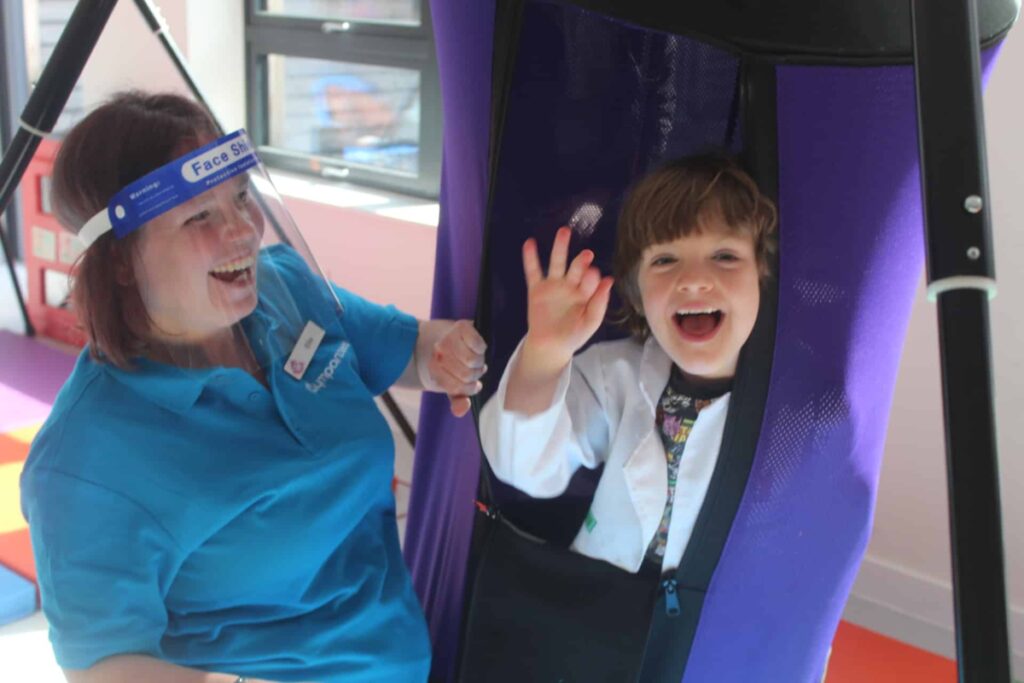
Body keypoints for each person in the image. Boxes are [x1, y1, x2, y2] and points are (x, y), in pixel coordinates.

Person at [20, 91, 486, 682]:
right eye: (200, 217)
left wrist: (449, 353)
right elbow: (103, 670)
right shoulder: (85, 463)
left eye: (241, 196)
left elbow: (412, 350)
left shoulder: (285, 289)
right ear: (119, 262)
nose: (242, 230)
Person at [479, 153, 776, 575]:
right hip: (599, 605)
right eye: (665, 260)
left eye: (725, 256)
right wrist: (544, 355)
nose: (693, 279)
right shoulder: (612, 375)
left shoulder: (787, 409)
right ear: (637, 293)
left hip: (712, 625)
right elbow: (522, 467)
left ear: (763, 279)